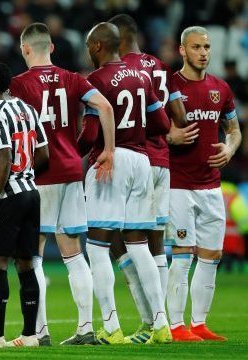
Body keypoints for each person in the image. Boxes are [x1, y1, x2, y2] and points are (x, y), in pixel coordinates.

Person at [9, 23, 116, 346]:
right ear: (51, 48)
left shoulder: (18, 85)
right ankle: (85, 328)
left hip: (39, 174)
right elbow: (106, 107)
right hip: (71, 170)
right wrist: (109, 150)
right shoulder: (72, 79)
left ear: (25, 49)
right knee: (73, 252)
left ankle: (39, 332)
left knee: (34, 255)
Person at [78, 22, 172, 344]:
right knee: (139, 245)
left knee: (97, 246)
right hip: (142, 162)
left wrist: (72, 151)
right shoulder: (143, 77)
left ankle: (111, 326)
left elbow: (91, 134)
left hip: (112, 161)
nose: (88, 50)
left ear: (98, 46)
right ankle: (161, 324)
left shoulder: (97, 80)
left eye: (90, 45)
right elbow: (161, 122)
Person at [108, 13, 192, 344]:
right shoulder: (159, 66)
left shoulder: (118, 70)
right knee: (155, 243)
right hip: (162, 163)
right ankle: (164, 323)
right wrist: (171, 135)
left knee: (118, 240)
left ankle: (150, 322)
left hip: (133, 160)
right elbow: (180, 116)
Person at [166, 26, 242, 342]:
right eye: (196, 47)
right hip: (179, 185)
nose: (204, 53)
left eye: (207, 47)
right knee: (183, 253)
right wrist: (171, 136)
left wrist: (229, 148)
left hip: (211, 186)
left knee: (211, 255)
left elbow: (235, 131)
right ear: (183, 50)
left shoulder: (221, 88)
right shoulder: (168, 85)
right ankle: (175, 326)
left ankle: (199, 324)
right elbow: (150, 131)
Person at [0, 59, 48, 349]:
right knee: (26, 263)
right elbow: (44, 154)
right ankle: (29, 335)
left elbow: (3, 156)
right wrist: (25, 176)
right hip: (31, 192)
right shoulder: (28, 109)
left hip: (9, 196)